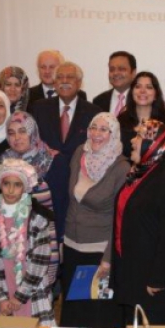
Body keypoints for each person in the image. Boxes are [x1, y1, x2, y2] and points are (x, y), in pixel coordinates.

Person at [111, 119, 165, 325]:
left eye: (139, 136)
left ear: (155, 143)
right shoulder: (140, 172)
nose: (133, 140)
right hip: (132, 271)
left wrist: (157, 278)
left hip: (153, 281)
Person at [60, 113, 130, 328]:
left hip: (99, 252)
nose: (96, 134)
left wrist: (108, 258)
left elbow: (121, 218)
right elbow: (71, 202)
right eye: (93, 127)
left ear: (114, 134)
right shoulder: (79, 153)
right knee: (73, 308)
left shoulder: (122, 168)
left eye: (103, 129)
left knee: (97, 312)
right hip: (72, 246)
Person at [30, 61, 101, 239]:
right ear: (54, 83)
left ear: (79, 82)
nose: (64, 81)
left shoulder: (94, 112)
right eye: (60, 77)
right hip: (46, 187)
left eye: (70, 77)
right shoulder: (39, 108)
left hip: (80, 187)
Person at [0, 159, 57, 326]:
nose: (10, 190)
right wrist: (0, 298)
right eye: (6, 184)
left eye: (17, 185)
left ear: (25, 187)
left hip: (33, 290)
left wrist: (20, 296)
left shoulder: (38, 218)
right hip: (4, 285)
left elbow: (40, 262)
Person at [2, 111, 63, 286]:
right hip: (12, 241)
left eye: (22, 131)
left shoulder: (53, 160)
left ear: (32, 132)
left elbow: (61, 206)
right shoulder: (4, 162)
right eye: (11, 133)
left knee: (40, 299)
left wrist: (60, 240)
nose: (17, 138)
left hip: (44, 241)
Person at [117, 71, 165, 158]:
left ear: (156, 95)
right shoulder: (121, 121)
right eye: (138, 86)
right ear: (132, 92)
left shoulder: (164, 124)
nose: (142, 91)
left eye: (149, 87)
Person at [93, 51, 136, 115]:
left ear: (133, 73)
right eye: (112, 69)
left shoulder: (139, 98)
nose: (115, 73)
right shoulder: (99, 101)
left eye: (121, 69)